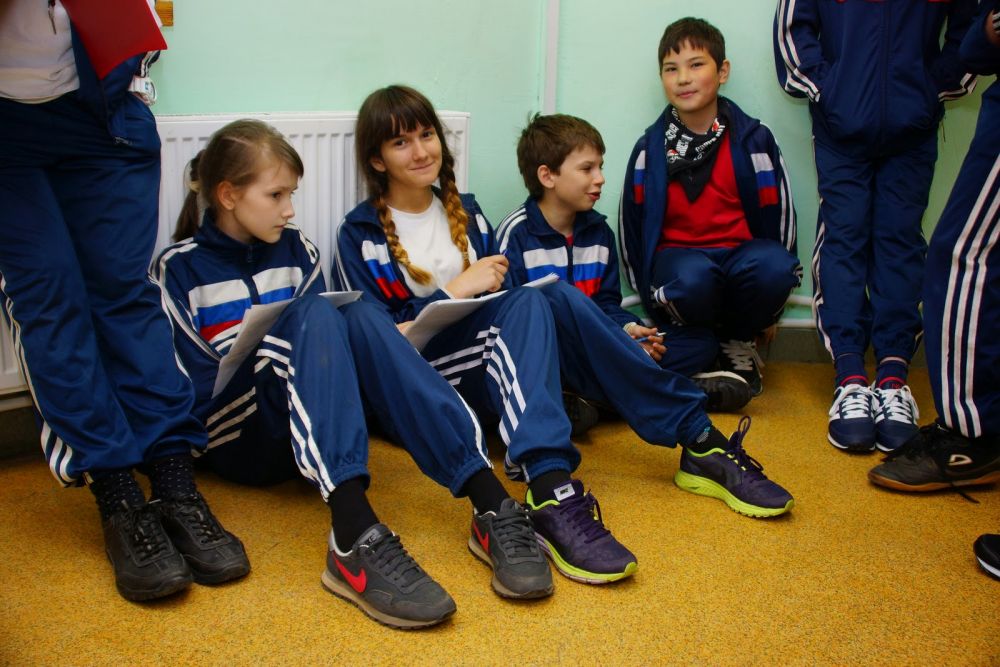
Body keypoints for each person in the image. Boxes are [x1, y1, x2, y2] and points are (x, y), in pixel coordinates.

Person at [152, 119, 554, 630]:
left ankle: (489, 500)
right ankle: (352, 533)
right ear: (228, 195)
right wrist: (270, 348)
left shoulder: (299, 250)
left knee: (361, 314)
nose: (290, 210)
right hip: (234, 437)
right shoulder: (177, 268)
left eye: (291, 194)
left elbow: (330, 352)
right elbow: (193, 388)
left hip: (303, 430)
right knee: (314, 314)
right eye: (276, 195)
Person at [333, 85, 640, 585]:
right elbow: (379, 344)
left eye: (427, 135)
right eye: (401, 142)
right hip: (412, 382)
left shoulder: (469, 213)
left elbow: (502, 303)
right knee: (520, 325)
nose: (421, 151)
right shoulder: (358, 233)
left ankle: (551, 486)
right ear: (377, 159)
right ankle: (543, 465)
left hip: (476, 362)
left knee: (530, 302)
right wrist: (453, 290)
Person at [0, 0, 249, 602]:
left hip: (101, 108)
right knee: (51, 302)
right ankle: (117, 495)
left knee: (126, 295)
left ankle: (175, 484)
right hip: (7, 126)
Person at [497, 112, 795, 519]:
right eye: (587, 168)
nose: (600, 178)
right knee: (555, 298)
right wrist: (616, 342)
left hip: (599, 354)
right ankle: (682, 415)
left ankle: (592, 401)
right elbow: (512, 327)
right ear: (547, 176)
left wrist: (628, 329)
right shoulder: (515, 234)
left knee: (699, 342)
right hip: (550, 360)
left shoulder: (599, 232)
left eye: (601, 166)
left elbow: (606, 305)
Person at [774, 0, 978, 453]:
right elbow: (792, 29)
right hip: (840, 128)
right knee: (844, 240)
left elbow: (972, 28)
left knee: (900, 243)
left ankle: (893, 379)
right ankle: (849, 378)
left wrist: (933, 87)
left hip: (913, 127)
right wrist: (828, 88)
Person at [864, 1, 1000, 582]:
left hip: (915, 121)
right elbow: (975, 41)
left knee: (965, 253)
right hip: (854, 120)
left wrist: (928, 91)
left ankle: (970, 433)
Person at [620, 17, 802, 413]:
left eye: (696, 64)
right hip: (680, 265)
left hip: (740, 259)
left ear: (723, 72)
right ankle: (697, 344)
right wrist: (650, 300)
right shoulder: (649, 149)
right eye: (671, 69)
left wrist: (772, 307)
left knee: (776, 267)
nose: (683, 78)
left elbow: (782, 216)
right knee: (693, 277)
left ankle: (737, 340)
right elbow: (631, 229)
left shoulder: (754, 140)